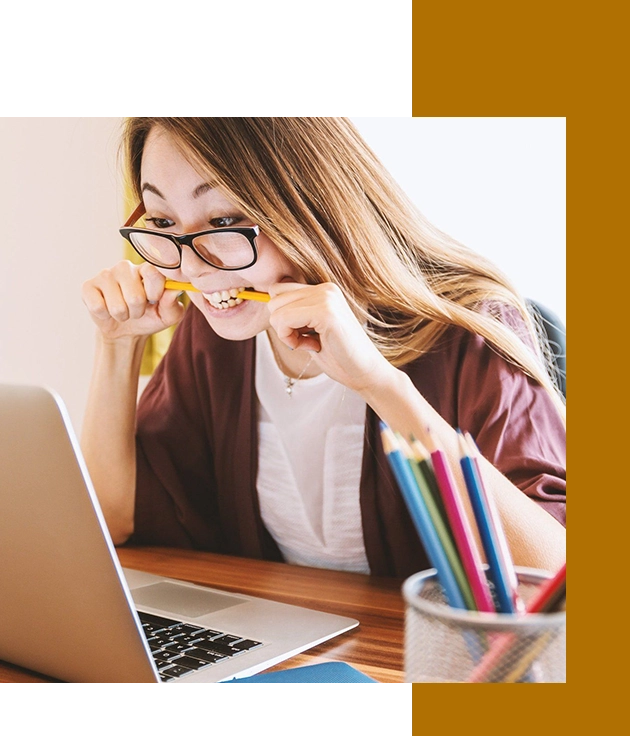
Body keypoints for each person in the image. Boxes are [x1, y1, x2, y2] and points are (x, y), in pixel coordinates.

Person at [81, 116, 566, 579]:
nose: (191, 267)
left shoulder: (468, 328)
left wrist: (379, 385)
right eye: (164, 223)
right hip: (289, 649)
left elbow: (555, 575)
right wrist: (117, 345)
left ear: (311, 202)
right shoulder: (216, 334)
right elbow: (113, 518)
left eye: (224, 218)